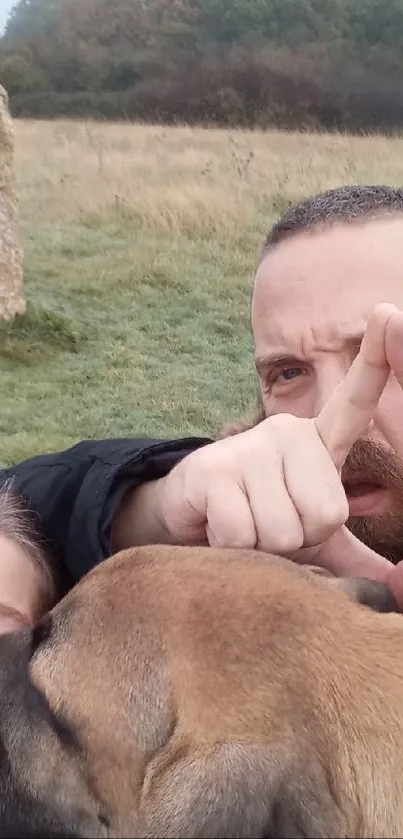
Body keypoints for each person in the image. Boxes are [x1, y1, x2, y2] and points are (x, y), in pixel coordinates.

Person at [3, 182, 403, 625]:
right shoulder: (230, 556)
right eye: (288, 373)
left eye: (381, 358)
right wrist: (146, 517)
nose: (331, 410)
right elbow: (26, 494)